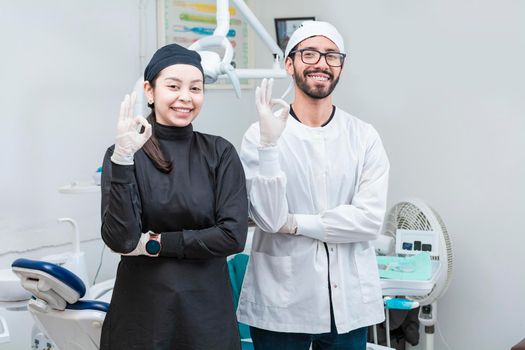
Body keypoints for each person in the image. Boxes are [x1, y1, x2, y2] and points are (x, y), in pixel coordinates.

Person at [236, 21, 390, 349]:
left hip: (347, 305)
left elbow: (369, 220)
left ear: (340, 67)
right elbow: (269, 219)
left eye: (331, 55)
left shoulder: (364, 137)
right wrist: (268, 148)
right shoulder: (260, 135)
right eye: (309, 53)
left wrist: (296, 224)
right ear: (289, 64)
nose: (321, 62)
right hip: (283, 304)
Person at [100, 43, 248, 350]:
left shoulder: (220, 153)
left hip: (207, 313)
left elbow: (232, 236)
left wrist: (155, 242)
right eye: (173, 86)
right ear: (150, 91)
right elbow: (122, 240)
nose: (186, 97)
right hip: (142, 315)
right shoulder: (125, 154)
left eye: (196, 88)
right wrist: (124, 160)